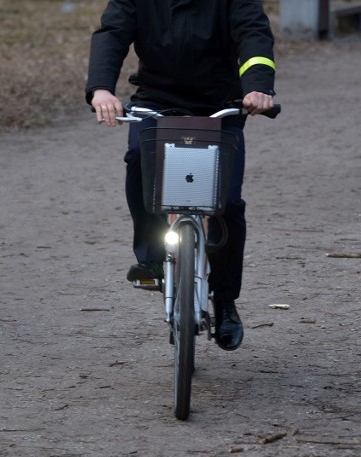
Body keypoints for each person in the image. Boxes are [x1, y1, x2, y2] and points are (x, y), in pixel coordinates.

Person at [86, 0, 276, 351]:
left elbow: (254, 35)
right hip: (157, 101)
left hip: (221, 104)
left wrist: (258, 86)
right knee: (137, 158)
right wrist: (101, 88)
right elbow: (112, 34)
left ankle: (225, 301)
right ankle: (151, 258)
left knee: (228, 203)